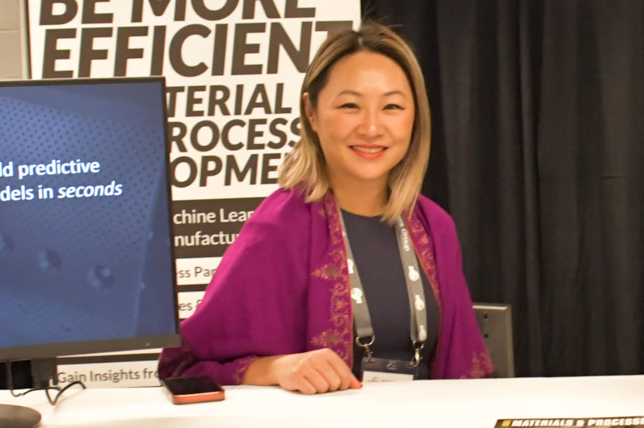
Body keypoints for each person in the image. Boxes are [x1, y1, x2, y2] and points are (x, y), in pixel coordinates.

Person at [160, 24, 493, 391]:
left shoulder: (434, 225)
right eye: (350, 105)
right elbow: (186, 368)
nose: (371, 127)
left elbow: (465, 372)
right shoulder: (277, 229)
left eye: (392, 107)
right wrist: (276, 369)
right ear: (311, 112)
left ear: (415, 117)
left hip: (424, 426)